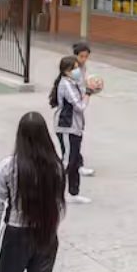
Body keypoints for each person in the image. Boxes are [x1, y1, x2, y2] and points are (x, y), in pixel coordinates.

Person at [0, 112, 65, 272]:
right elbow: (58, 204)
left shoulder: (8, 167)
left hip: (16, 235)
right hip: (46, 234)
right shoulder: (56, 166)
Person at [49, 55, 93, 204]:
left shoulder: (72, 82)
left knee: (73, 161)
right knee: (68, 161)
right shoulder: (66, 85)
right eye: (74, 68)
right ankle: (56, 191)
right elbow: (79, 106)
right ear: (66, 71)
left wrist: (90, 88)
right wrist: (88, 94)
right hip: (66, 127)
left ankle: (73, 193)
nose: (77, 71)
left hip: (75, 126)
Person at [73, 41, 96, 178]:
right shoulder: (74, 68)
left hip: (78, 104)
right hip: (74, 106)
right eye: (81, 56)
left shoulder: (83, 67)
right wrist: (87, 91)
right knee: (74, 137)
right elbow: (77, 85)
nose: (84, 59)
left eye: (86, 57)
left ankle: (76, 163)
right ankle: (76, 165)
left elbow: (82, 83)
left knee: (77, 135)